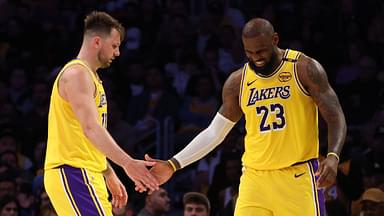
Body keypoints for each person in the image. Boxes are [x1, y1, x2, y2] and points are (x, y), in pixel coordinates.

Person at [146, 17, 347, 215]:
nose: (256, 57)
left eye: (261, 51)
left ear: (275, 40)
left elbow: (335, 115)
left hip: (297, 176)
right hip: (255, 179)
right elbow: (215, 133)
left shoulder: (303, 68)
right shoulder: (238, 82)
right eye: (249, 52)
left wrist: (333, 156)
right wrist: (173, 163)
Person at [43, 11, 159, 215]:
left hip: (87, 172)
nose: (118, 53)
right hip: (73, 171)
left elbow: (86, 136)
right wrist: (128, 163)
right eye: (114, 46)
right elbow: (90, 128)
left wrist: (107, 171)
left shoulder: (90, 77)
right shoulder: (77, 74)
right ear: (97, 42)